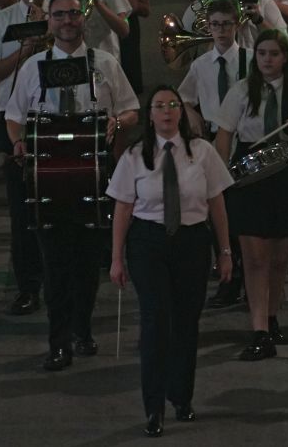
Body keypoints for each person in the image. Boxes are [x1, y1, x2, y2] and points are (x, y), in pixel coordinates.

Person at [5, 0, 140, 371]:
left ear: (83, 19)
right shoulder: (32, 66)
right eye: (59, 15)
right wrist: (18, 142)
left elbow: (131, 109)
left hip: (93, 178)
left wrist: (118, 122)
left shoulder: (106, 64)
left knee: (85, 263)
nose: (67, 21)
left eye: (73, 14)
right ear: (49, 20)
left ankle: (82, 329)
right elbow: (14, 115)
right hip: (47, 180)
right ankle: (58, 341)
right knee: (54, 263)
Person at [108, 86, 234, 437]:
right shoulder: (135, 155)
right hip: (148, 243)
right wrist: (116, 257)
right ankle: (153, 407)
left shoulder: (202, 152)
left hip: (192, 241)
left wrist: (225, 251)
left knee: (186, 321)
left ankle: (181, 396)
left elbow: (217, 203)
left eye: (173, 105)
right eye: (159, 106)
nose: (166, 111)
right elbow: (122, 207)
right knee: (155, 321)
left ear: (182, 111)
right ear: (149, 115)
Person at [215, 29, 288, 360]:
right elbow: (223, 137)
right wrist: (220, 180)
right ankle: (259, 329)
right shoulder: (240, 93)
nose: (266, 59)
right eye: (261, 53)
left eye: (273, 53)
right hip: (250, 180)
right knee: (255, 259)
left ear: (285, 57)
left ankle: (272, 316)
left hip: (286, 177)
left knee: (279, 259)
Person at [0, 0, 58, 315]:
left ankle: (54, 279)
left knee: (53, 206)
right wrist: (23, 53)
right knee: (21, 208)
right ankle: (27, 285)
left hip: (52, 121)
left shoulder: (61, 19)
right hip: (12, 118)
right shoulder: (2, 20)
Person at [178, 0, 251, 307]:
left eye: (227, 24)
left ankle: (249, 279)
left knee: (243, 215)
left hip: (242, 139)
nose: (221, 31)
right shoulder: (201, 64)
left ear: (238, 26)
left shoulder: (249, 60)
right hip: (212, 142)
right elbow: (183, 96)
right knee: (218, 214)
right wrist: (192, 115)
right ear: (208, 27)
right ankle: (228, 279)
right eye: (216, 25)